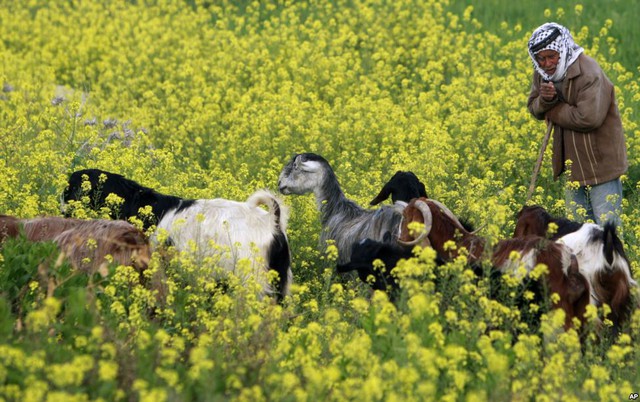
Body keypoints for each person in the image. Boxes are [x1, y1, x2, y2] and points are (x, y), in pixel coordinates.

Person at [527, 22, 628, 227]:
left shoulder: (589, 73)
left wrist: (552, 107)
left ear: (562, 49)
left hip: (600, 163)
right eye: (541, 58)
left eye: (551, 56)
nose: (547, 63)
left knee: (608, 231)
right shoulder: (542, 74)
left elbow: (588, 118)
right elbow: (534, 108)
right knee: (578, 232)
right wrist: (544, 101)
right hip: (572, 165)